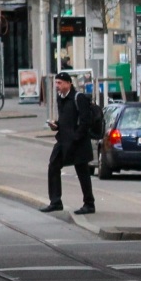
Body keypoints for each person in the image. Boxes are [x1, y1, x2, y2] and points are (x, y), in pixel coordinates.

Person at [41, 71, 96, 215]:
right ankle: (55, 201)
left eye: (59, 83)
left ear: (68, 84)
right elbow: (65, 120)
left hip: (78, 142)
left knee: (82, 172)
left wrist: (76, 137)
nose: (57, 86)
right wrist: (56, 125)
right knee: (53, 165)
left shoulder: (79, 98)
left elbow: (85, 122)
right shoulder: (61, 99)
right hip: (63, 140)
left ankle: (89, 204)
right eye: (56, 83)